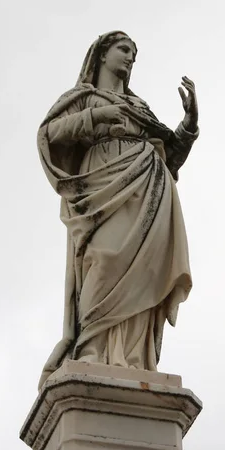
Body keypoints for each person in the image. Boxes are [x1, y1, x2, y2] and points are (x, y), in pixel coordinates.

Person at [37, 30, 199, 388]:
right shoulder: (83, 98)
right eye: (123, 50)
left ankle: (133, 356)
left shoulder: (140, 108)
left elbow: (170, 155)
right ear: (102, 54)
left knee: (144, 267)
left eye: (134, 54)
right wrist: (99, 115)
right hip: (102, 181)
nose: (129, 58)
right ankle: (92, 346)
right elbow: (51, 134)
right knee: (104, 257)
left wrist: (188, 127)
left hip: (147, 184)